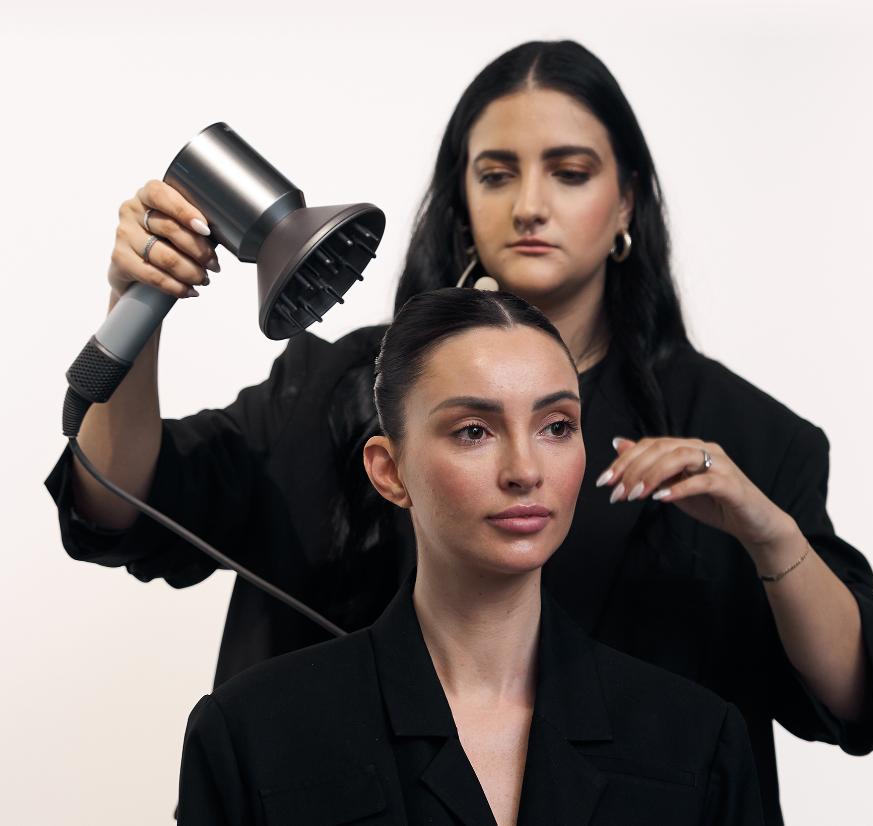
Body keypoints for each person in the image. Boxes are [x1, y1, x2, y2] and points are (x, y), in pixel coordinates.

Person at [44, 40, 873, 823]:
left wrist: (770, 535)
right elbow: (123, 507)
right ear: (387, 465)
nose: (530, 205)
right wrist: (138, 304)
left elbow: (860, 701)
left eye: (569, 173)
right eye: (497, 174)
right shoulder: (343, 390)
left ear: (626, 203)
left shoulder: (738, 436)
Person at [178, 288, 763, 825]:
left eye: (557, 426)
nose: (525, 471)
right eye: (474, 431)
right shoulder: (249, 735)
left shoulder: (698, 740)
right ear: (389, 470)